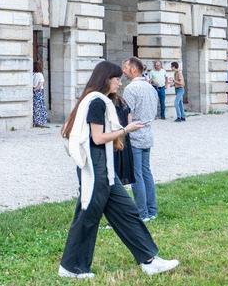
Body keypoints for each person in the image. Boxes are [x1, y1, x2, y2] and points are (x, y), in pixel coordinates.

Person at [58, 60, 178, 278]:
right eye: (116, 79)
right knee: (87, 216)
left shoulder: (97, 100)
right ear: (105, 79)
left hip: (104, 166)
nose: (119, 83)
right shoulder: (96, 102)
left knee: (127, 212)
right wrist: (126, 129)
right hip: (95, 168)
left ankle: (149, 260)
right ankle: (70, 267)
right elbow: (97, 137)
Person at [123, 57, 158, 222]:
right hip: (148, 133)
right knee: (146, 172)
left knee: (136, 175)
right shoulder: (150, 87)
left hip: (135, 135)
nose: (123, 70)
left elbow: (127, 114)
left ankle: (142, 213)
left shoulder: (130, 89)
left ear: (133, 69)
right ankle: (152, 210)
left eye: (125, 67)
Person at [32, 59, 48, 127]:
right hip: (38, 91)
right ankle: (40, 122)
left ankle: (36, 121)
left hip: (33, 90)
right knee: (40, 107)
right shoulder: (40, 75)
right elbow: (40, 83)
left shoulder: (32, 74)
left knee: (35, 107)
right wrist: (36, 89)